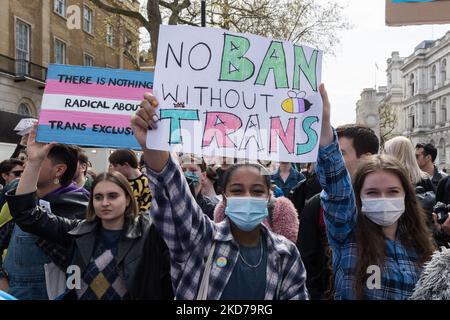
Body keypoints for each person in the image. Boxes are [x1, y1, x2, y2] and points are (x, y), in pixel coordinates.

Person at [131, 93, 308, 300]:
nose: (247, 197)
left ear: (270, 196)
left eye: (257, 191)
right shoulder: (201, 239)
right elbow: (173, 191)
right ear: (224, 198)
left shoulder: (285, 254)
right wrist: (153, 143)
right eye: (237, 190)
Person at [6, 127, 173, 300]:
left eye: (113, 196)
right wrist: (34, 162)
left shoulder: (148, 234)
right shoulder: (80, 231)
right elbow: (27, 214)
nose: (105, 202)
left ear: (128, 200)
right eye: (98, 197)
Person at [317, 84, 435, 299]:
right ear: (358, 197)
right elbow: (336, 191)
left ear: (406, 197)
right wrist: (324, 132)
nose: (383, 199)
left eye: (392, 192)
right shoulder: (347, 234)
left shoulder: (420, 248)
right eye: (372, 192)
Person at [296, 124, 379, 300]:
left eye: (340, 154)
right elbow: (307, 264)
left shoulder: (389, 207)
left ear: (367, 158)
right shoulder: (317, 205)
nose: (331, 160)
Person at [0, 138, 89, 299]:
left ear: (59, 170)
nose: (26, 165)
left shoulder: (79, 209)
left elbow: (77, 269)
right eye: (28, 158)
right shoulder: (21, 199)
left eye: (38, 159)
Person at [109, 149, 152, 214]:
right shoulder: (118, 182)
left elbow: (145, 212)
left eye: (115, 166)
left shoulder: (147, 184)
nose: (114, 169)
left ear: (126, 165)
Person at [179, 154, 216, 219]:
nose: (186, 173)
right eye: (183, 170)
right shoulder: (172, 200)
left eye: (193, 170)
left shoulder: (211, 208)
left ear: (203, 175)